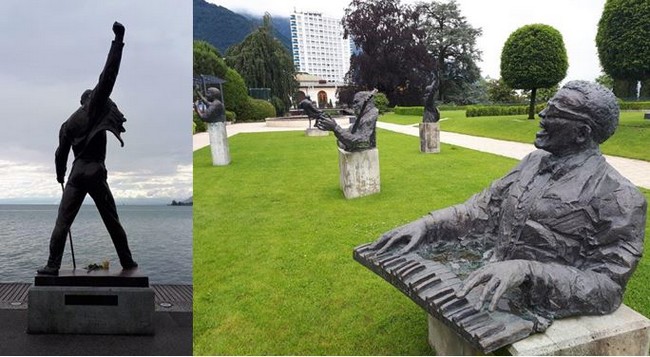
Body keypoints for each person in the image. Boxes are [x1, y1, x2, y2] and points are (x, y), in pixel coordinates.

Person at [370, 81, 646, 323]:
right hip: (490, 272)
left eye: (555, 112)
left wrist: (527, 271)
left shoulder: (620, 196)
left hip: (535, 299)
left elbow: (607, 288)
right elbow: (481, 210)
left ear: (582, 133)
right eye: (547, 106)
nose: (541, 114)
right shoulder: (533, 162)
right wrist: (428, 225)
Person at [37, 22, 137, 275]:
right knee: (111, 220)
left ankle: (52, 266)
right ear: (90, 99)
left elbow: (60, 154)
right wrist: (118, 40)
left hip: (75, 173)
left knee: (63, 221)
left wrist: (60, 174)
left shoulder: (67, 124)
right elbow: (108, 75)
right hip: (95, 171)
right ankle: (127, 262)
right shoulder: (94, 109)